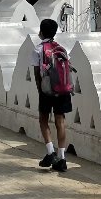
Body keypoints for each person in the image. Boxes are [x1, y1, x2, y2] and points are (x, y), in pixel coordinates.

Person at [32, 18, 72, 173]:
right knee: (60, 121)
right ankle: (62, 158)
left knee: (43, 119)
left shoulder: (38, 49)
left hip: (47, 89)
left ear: (41, 32)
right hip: (63, 89)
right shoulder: (62, 48)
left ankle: (50, 152)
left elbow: (37, 74)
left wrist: (40, 91)